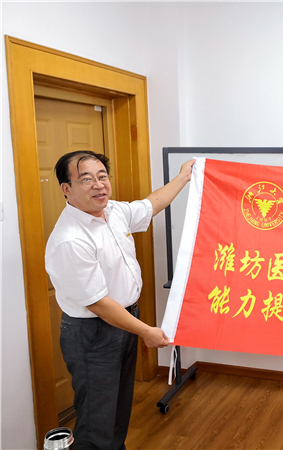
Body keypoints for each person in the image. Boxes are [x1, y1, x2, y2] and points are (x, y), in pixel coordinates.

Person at [45, 151, 194, 450]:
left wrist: (183, 176)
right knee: (97, 420)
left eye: (102, 176)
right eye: (86, 179)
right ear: (66, 188)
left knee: (117, 410)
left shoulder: (112, 211)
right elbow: (98, 304)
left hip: (122, 322)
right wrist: (145, 331)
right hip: (93, 334)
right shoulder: (70, 239)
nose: (98, 184)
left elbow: (151, 204)